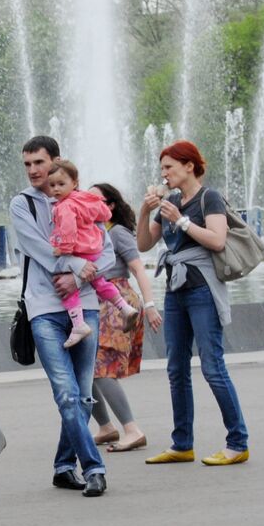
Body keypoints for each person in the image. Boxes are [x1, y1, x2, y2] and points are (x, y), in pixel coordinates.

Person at [9, 135, 112, 497]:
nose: (34, 171)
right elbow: (38, 249)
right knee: (67, 395)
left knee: (83, 396)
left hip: (84, 306)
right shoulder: (22, 204)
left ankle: (63, 466)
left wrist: (82, 273)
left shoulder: (81, 200)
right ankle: (94, 467)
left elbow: (108, 252)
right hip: (44, 308)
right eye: (28, 164)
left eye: (39, 163)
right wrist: (79, 266)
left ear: (56, 162)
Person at [137, 140, 249, 466]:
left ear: (189, 166)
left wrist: (183, 221)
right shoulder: (170, 201)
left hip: (202, 289)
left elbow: (217, 239)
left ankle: (237, 441)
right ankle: (182, 443)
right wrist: (146, 211)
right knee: (176, 368)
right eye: (162, 169)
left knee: (213, 367)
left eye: (169, 167)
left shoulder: (208, 197)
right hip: (176, 289)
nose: (164, 174)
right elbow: (144, 243)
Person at [88, 183, 162, 452]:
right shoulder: (92, 231)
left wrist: (151, 305)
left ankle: (132, 429)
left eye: (97, 200)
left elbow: (139, 269)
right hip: (99, 301)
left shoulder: (117, 232)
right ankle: (106, 428)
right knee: (85, 370)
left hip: (117, 301)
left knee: (101, 367)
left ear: (110, 206)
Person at [47, 160, 141, 348]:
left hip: (78, 251)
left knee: (67, 288)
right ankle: (124, 307)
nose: (56, 189)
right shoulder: (85, 199)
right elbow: (104, 214)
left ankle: (78, 324)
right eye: (52, 185)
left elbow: (67, 230)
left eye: (61, 184)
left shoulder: (64, 206)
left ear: (74, 183)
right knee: (100, 282)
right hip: (94, 250)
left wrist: (63, 250)